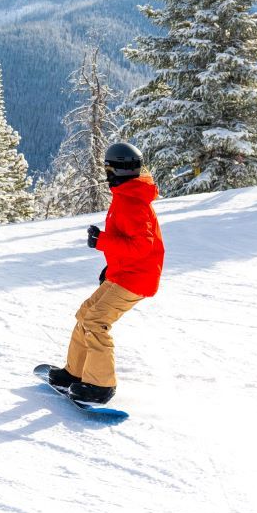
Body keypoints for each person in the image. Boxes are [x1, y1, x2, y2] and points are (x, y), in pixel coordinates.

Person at [45, 143, 164, 405]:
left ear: (116, 170)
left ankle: (100, 386)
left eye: (108, 168)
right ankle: (74, 373)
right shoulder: (127, 195)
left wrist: (101, 241)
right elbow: (131, 242)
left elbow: (142, 246)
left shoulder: (133, 203)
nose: (106, 173)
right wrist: (111, 267)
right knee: (86, 313)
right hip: (124, 273)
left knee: (96, 321)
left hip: (136, 279)